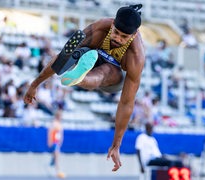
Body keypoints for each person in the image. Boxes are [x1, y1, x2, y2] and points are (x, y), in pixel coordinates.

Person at [24, 4, 145, 171]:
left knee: (106, 71)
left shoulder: (136, 57)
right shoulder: (99, 28)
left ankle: (79, 75)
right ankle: (79, 72)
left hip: (114, 78)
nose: (117, 38)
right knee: (79, 51)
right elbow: (60, 58)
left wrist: (117, 144)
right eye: (116, 32)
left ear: (134, 34)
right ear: (112, 24)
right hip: (92, 56)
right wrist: (35, 84)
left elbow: (126, 103)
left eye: (124, 37)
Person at [47, 108, 65, 178]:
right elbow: (50, 132)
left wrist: (60, 141)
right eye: (61, 116)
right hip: (54, 142)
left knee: (56, 157)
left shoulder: (59, 124)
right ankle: (58, 171)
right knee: (57, 157)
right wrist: (50, 141)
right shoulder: (54, 123)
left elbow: (60, 134)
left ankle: (53, 163)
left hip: (57, 142)